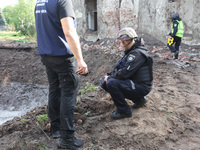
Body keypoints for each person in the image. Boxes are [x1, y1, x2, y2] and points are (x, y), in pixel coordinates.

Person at [35, 0, 88, 149]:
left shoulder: (40, 2)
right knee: (68, 93)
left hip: (47, 55)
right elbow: (69, 32)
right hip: (62, 57)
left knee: (55, 90)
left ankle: (56, 127)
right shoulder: (62, 1)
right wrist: (80, 60)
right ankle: (67, 137)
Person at [100, 27, 153, 119]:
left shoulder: (137, 54)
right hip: (135, 83)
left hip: (142, 87)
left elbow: (125, 73)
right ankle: (139, 100)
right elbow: (121, 68)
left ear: (127, 40)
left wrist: (110, 78)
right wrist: (109, 75)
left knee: (111, 82)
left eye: (121, 42)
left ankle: (124, 111)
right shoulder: (132, 52)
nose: (121, 45)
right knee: (105, 82)